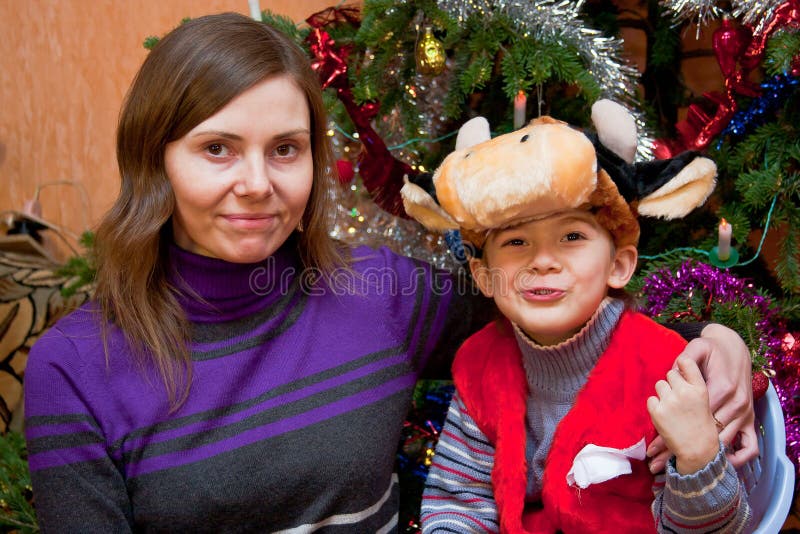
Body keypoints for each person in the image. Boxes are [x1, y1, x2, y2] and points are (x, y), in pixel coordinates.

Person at [23, 12, 754, 533]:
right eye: (217, 149)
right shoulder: (77, 366)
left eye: (285, 149)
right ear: (156, 159)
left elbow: (555, 303)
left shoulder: (381, 293)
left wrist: (716, 339)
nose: (256, 183)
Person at [414, 109, 752, 533]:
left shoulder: (666, 371)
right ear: (485, 276)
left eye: (572, 237)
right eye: (516, 241)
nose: (542, 261)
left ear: (619, 266)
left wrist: (699, 457)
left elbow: (715, 528)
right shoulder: (480, 364)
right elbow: (460, 501)